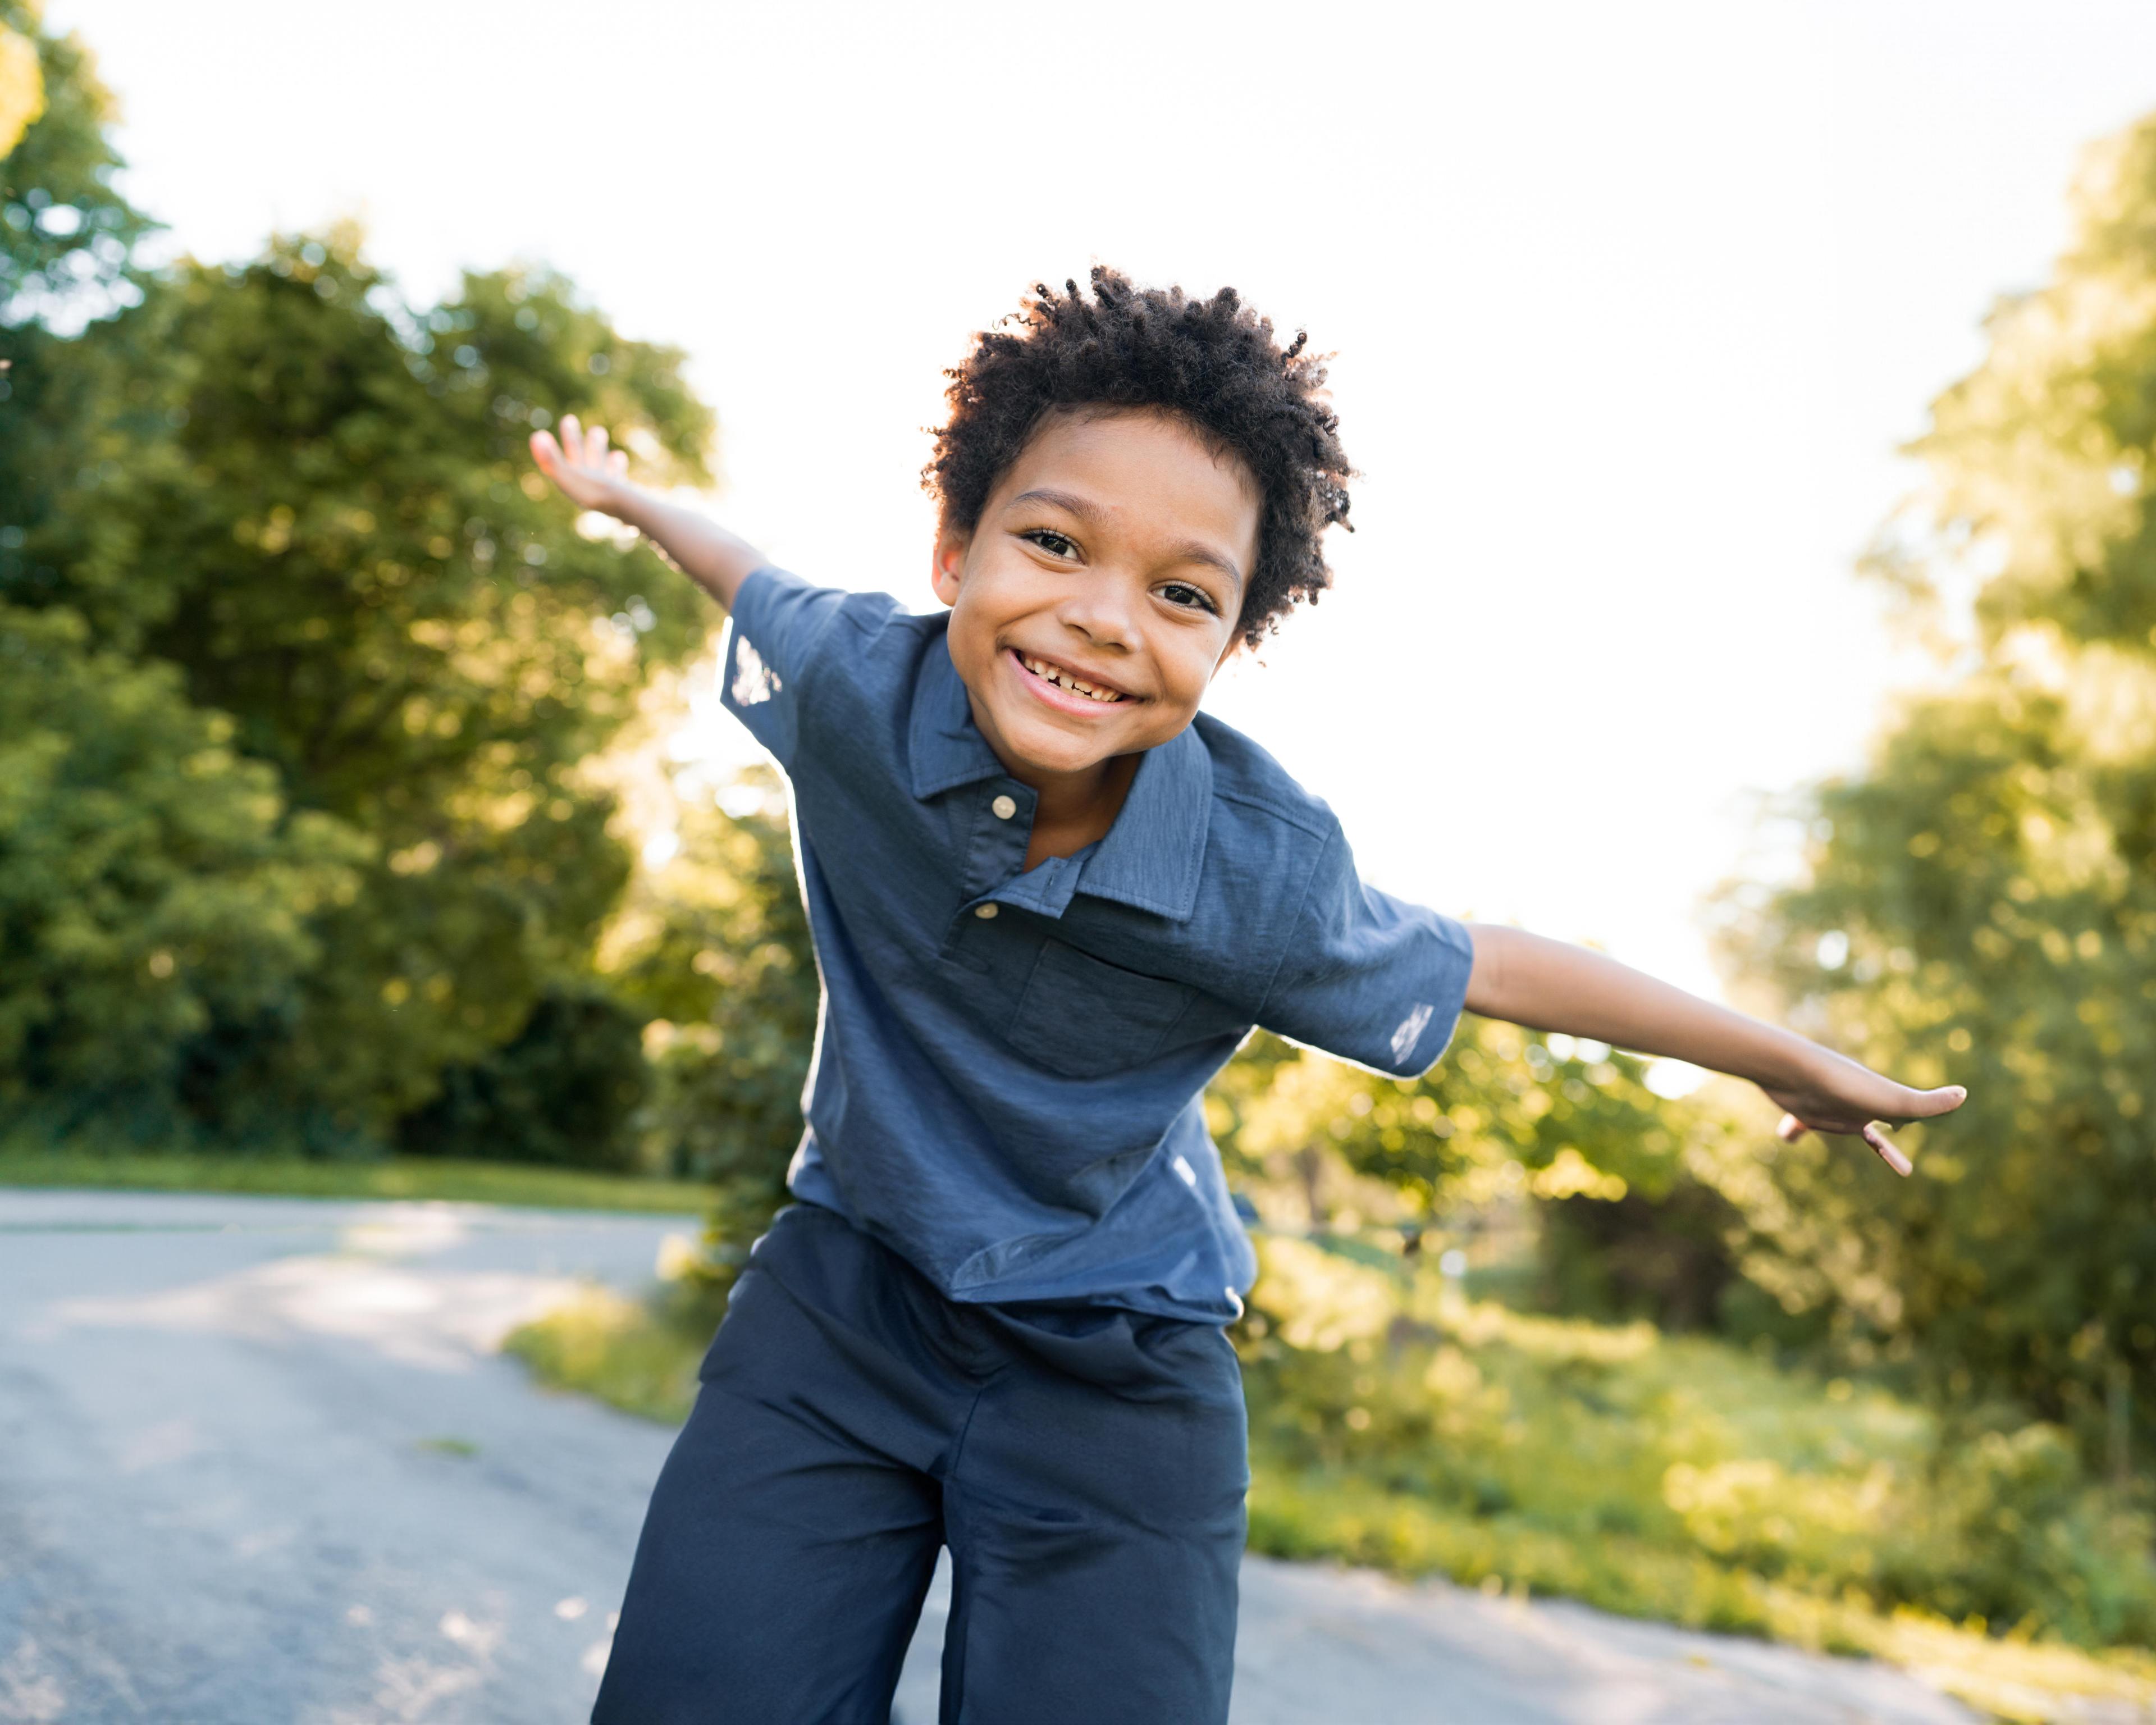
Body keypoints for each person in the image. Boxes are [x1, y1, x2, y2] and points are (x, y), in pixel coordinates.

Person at [530, 268, 1965, 1725]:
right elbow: (738, 567)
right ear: (954, 551)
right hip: (847, 1292)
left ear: (1229, 644)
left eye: (1181, 593)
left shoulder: (1254, 874)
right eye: (1052, 542)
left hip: (1118, 1365)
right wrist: (623, 497)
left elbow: (1499, 966)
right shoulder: (851, 681)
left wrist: (1776, 1057)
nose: (1102, 617)